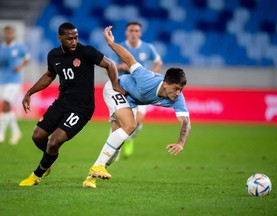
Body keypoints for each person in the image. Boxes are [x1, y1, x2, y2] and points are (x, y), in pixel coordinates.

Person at [82, 26, 191, 189]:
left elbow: (185, 122)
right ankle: (97, 167)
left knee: (114, 151)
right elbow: (128, 58)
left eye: (181, 89)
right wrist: (111, 43)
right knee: (131, 125)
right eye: (176, 88)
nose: (178, 93)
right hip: (116, 89)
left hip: (130, 102)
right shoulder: (146, 78)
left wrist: (181, 143)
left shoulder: (177, 98)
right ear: (166, 84)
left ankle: (90, 178)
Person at [19, 22, 125, 186]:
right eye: (70, 39)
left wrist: (116, 86)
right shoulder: (53, 55)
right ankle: (49, 160)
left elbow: (110, 64)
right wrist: (29, 92)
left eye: (76, 38)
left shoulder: (86, 51)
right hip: (62, 103)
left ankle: (36, 175)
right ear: (60, 38)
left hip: (82, 108)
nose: (74, 42)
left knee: (54, 141)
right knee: (37, 136)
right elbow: (49, 75)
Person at [111, 21, 163, 159]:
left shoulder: (147, 48)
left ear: (140, 33)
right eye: (131, 30)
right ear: (126, 32)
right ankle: (113, 148)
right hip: (123, 89)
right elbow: (109, 66)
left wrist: (151, 74)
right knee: (120, 121)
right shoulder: (119, 47)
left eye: (136, 31)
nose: (133, 33)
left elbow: (159, 62)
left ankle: (128, 139)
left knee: (138, 121)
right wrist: (121, 67)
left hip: (141, 89)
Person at [0, 25, 30, 145]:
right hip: (2, 81)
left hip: (14, 81)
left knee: (6, 103)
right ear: (3, 34)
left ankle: (1, 133)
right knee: (7, 107)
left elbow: (27, 58)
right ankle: (16, 132)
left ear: (13, 34)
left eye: (10, 33)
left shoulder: (19, 48)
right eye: (6, 33)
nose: (8, 35)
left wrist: (20, 66)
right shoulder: (1, 48)